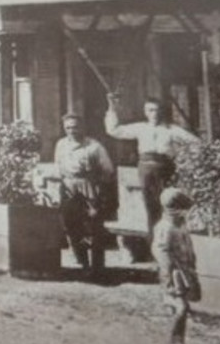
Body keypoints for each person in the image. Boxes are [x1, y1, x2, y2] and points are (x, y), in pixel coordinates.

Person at [104, 93, 201, 239]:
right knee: (151, 207)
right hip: (146, 170)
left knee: (168, 205)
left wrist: (181, 158)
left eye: (156, 110)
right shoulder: (140, 128)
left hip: (165, 170)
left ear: (161, 111)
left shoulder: (171, 129)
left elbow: (195, 142)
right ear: (145, 112)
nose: (154, 114)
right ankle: (154, 245)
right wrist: (112, 108)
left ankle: (170, 241)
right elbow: (114, 130)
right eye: (150, 110)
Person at [53, 113, 117, 273]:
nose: (71, 131)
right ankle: (82, 262)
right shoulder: (61, 144)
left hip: (88, 187)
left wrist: (96, 184)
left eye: (75, 127)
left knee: (93, 227)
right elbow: (57, 165)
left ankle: (97, 267)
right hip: (68, 187)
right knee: (71, 225)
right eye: (68, 128)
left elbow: (108, 170)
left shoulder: (94, 146)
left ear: (82, 127)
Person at [153, 187, 203, 344]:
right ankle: (174, 341)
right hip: (174, 273)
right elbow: (162, 253)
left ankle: (177, 341)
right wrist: (167, 278)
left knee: (182, 306)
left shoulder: (178, 225)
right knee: (181, 306)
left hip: (183, 271)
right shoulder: (166, 228)